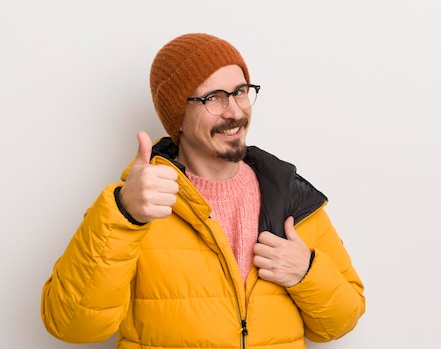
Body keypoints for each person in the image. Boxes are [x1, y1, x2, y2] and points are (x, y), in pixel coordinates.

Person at [41, 32, 365, 348]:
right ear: (178, 116)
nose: (235, 111)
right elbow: (72, 327)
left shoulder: (288, 195)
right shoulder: (138, 204)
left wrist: (306, 272)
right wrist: (124, 215)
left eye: (240, 91)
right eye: (213, 98)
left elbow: (341, 322)